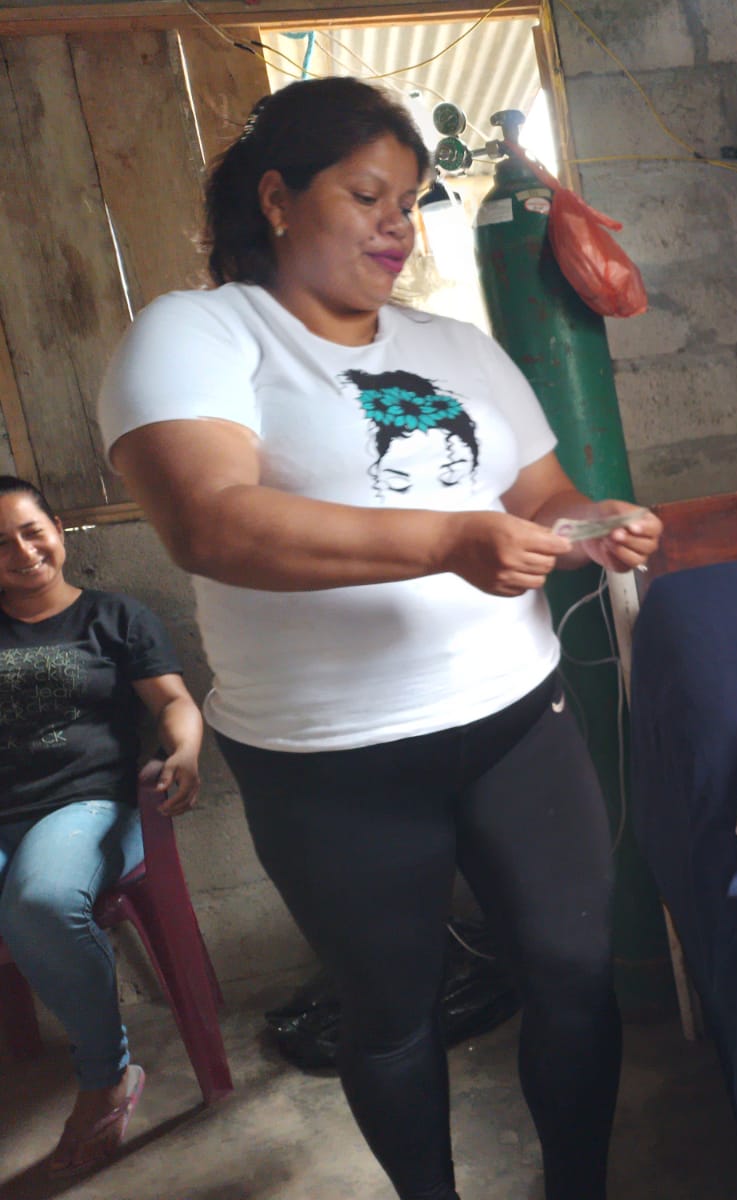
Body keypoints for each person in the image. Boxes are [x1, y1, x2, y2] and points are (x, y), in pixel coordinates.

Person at [96, 77, 660, 1200]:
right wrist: (447, 539)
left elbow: (540, 494)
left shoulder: (458, 348)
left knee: (572, 971)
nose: (398, 227)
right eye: (367, 197)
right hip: (329, 758)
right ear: (276, 198)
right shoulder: (199, 333)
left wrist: (590, 524)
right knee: (393, 1012)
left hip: (516, 718)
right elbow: (211, 522)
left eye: (408, 203)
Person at [0, 476, 203, 1177]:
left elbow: (173, 701)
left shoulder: (114, 617)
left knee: (43, 902)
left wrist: (184, 751)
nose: (23, 552)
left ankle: (107, 1076)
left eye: (31, 531)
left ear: (58, 529)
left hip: (86, 806)